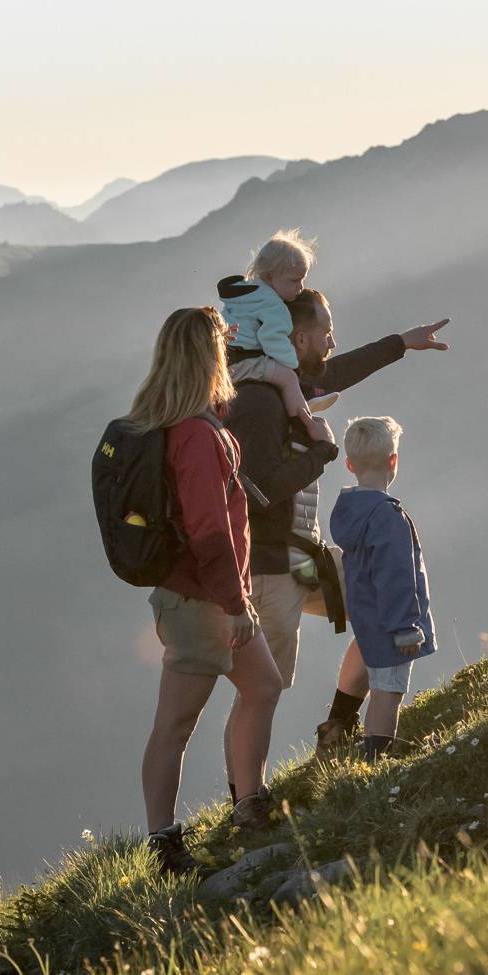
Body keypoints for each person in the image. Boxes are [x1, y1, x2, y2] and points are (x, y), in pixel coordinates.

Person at [223, 287, 449, 743]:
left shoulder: (290, 389)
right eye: (324, 331)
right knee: (261, 692)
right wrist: (321, 451)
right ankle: (247, 799)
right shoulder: (259, 400)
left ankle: (339, 723)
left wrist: (401, 343)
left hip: (303, 559)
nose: (332, 341)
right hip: (269, 569)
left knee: (382, 606)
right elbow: (260, 489)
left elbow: (339, 373)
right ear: (298, 338)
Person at [131, 306, 285, 874]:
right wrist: (235, 603)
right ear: (206, 359)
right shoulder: (194, 436)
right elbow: (208, 529)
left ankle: (250, 805)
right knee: (174, 723)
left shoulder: (190, 423)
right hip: (203, 600)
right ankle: (164, 844)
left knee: (263, 685)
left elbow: (217, 426)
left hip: (207, 595)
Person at [326, 416, 435, 759]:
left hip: (367, 612)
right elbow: (397, 576)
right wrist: (406, 628)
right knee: (387, 692)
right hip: (392, 623)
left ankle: (336, 728)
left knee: (364, 654)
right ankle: (375, 762)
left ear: (349, 464)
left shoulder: (349, 510)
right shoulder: (389, 517)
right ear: (394, 461)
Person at [217, 230, 330, 441]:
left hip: (227, 361)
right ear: (270, 277)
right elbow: (272, 340)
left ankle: (300, 395)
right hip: (242, 362)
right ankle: (300, 425)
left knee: (278, 372)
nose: (301, 287)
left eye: (303, 280)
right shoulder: (273, 305)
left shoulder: (246, 293)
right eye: (295, 281)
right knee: (286, 376)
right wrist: (292, 365)